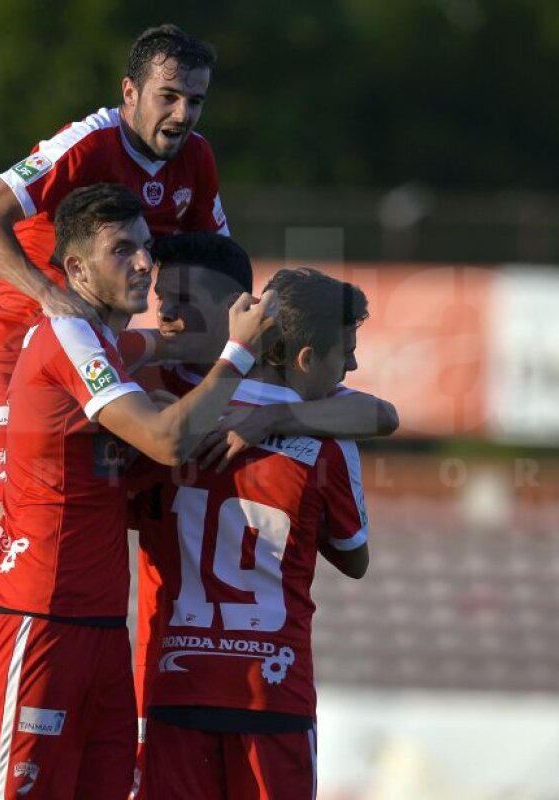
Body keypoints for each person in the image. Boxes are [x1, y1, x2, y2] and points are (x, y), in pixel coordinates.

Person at [0, 183, 279, 800]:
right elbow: (166, 441)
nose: (142, 264)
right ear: (76, 270)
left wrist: (282, 402)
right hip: (38, 618)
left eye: (144, 247)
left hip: (102, 627)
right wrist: (240, 353)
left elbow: (175, 345)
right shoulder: (66, 334)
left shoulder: (109, 344)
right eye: (121, 250)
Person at [0, 25, 228, 677]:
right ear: (130, 91)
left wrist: (237, 359)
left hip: (103, 362)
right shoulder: (87, 144)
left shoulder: (196, 161)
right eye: (168, 96)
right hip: (12, 366)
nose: (182, 113)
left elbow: (219, 267)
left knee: (125, 509)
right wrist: (50, 297)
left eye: (194, 100)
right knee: (13, 531)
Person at [135, 267, 373, 800]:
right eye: (346, 353)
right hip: (274, 692)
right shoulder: (331, 442)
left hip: (178, 684)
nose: (353, 367)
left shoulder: (178, 423)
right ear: (306, 360)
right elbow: (354, 557)